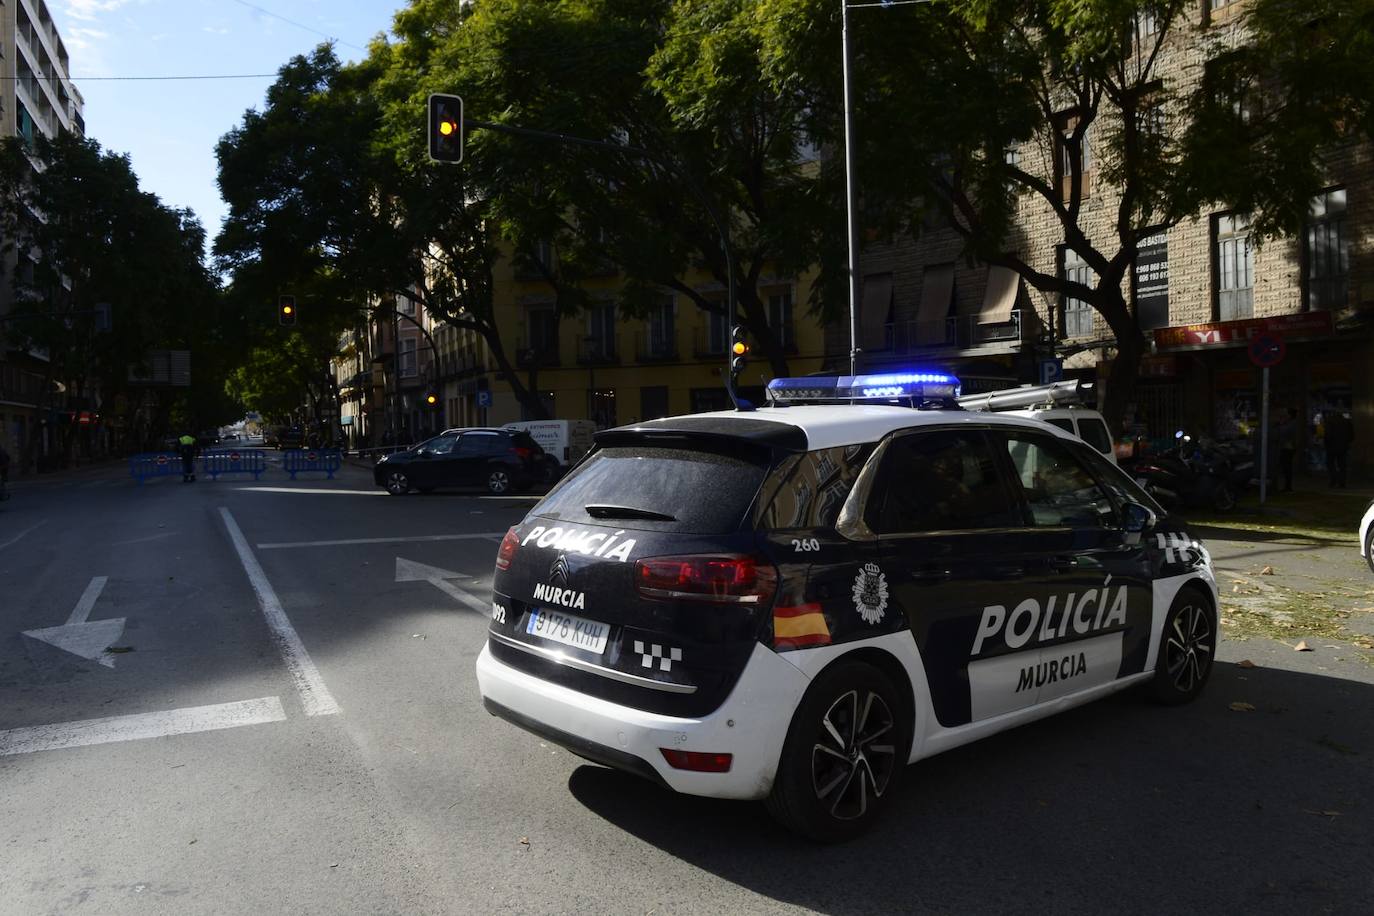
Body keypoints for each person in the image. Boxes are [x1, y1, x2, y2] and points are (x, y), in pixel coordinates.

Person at [1324, 410, 1354, 488]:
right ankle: (1342, 482)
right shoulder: (1347, 422)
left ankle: (1334, 479)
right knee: (1342, 465)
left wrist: (1326, 444)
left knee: (1330, 464)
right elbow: (1351, 436)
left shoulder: (1329, 421)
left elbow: (1327, 434)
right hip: (1343, 447)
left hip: (1331, 447)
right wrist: (1346, 442)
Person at [1277, 408, 1297, 493]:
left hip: (1288, 447)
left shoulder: (1291, 424)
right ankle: (1287, 486)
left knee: (1287, 467)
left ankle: (1288, 486)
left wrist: (1281, 425)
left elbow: (1285, 433)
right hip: (1287, 447)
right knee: (1286, 467)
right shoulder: (1290, 423)